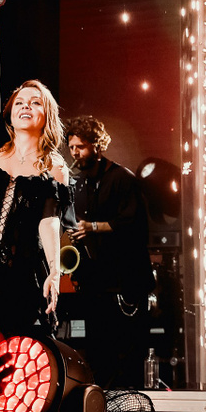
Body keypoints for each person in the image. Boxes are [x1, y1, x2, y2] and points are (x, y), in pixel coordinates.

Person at [0, 0, 69, 351]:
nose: (25, 106)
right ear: (9, 111)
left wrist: (55, 271)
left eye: (35, 102)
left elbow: (49, 222)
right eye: (19, 101)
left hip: (23, 277)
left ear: (46, 115)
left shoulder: (54, 166)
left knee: (16, 376)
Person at [64, 115, 151, 387]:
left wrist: (92, 227)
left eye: (81, 147)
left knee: (126, 354)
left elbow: (135, 225)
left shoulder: (123, 178)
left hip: (124, 282)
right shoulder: (78, 183)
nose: (75, 153)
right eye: (72, 147)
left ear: (97, 145)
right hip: (94, 282)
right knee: (98, 354)